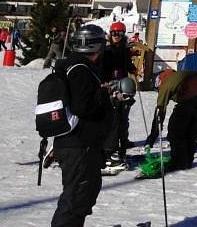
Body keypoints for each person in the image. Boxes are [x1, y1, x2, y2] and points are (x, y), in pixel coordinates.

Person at [50, 24, 114, 227]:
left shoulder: (75, 67)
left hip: (79, 143)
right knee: (76, 197)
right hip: (78, 144)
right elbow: (83, 106)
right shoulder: (80, 70)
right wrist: (105, 95)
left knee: (83, 194)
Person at [146, 69, 197, 172]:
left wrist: (153, 136)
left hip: (189, 91)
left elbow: (160, 112)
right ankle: (188, 159)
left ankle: (179, 162)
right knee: (193, 127)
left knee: (176, 129)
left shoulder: (165, 84)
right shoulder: (176, 75)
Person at [100, 21, 136, 168]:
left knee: (124, 114)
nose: (116, 36)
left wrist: (132, 68)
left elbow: (126, 64)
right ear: (110, 33)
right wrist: (104, 82)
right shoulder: (106, 50)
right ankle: (110, 147)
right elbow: (102, 67)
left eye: (120, 33)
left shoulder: (124, 49)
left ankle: (123, 141)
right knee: (113, 116)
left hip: (124, 83)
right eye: (114, 33)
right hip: (110, 84)